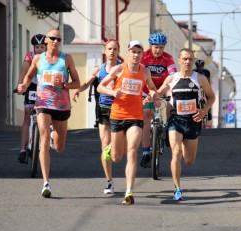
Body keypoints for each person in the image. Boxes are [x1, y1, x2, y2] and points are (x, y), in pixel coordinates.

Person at [17, 29, 80, 198]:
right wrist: (23, 85)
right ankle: (46, 183)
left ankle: (54, 136)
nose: (55, 41)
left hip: (62, 106)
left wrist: (65, 85)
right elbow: (29, 76)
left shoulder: (66, 59)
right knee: (43, 139)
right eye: (52, 38)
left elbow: (77, 82)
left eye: (58, 39)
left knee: (59, 147)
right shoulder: (38, 59)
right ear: (46, 40)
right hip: (42, 103)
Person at [97, 40, 160, 205]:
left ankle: (129, 191)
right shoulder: (119, 69)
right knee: (117, 157)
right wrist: (112, 92)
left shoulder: (144, 71)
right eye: (133, 52)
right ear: (128, 53)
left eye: (139, 52)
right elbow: (100, 87)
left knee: (132, 151)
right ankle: (112, 147)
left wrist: (152, 95)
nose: (136, 55)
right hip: (117, 116)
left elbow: (152, 88)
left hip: (135, 116)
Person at [157, 48, 215, 200]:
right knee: (176, 153)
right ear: (179, 60)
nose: (188, 62)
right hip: (175, 121)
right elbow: (158, 92)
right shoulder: (172, 79)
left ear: (193, 61)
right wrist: (150, 97)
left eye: (190, 59)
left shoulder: (200, 78)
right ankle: (177, 189)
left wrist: (204, 112)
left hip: (193, 122)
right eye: (185, 59)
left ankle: (184, 143)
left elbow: (211, 97)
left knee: (189, 161)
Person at [71, 39, 121, 194]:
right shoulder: (99, 70)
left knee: (118, 147)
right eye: (109, 48)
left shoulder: (123, 69)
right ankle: (109, 182)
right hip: (104, 109)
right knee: (105, 145)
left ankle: (116, 148)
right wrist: (78, 89)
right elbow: (86, 83)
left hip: (121, 109)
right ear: (105, 51)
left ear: (118, 51)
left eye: (115, 49)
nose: (112, 51)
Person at [140, 32, 177, 168]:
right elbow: (140, 74)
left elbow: (172, 75)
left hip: (161, 89)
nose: (158, 50)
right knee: (146, 118)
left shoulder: (168, 58)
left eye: (161, 47)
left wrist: (169, 94)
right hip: (146, 91)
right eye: (155, 47)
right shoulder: (144, 56)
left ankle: (166, 128)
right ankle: (145, 153)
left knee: (167, 106)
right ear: (151, 46)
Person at [16, 34, 47, 163]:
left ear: (46, 47)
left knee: (46, 115)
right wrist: (20, 86)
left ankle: (44, 142)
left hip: (46, 87)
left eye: (42, 47)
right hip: (32, 85)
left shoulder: (50, 56)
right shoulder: (30, 56)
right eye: (37, 47)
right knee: (27, 115)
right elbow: (24, 72)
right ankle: (23, 149)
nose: (39, 49)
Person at [194, 59, 212, 128]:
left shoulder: (206, 72)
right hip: (197, 87)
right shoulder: (194, 71)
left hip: (205, 87)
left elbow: (209, 81)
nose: (200, 68)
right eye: (198, 66)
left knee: (208, 98)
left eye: (201, 66)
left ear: (203, 66)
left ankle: (208, 111)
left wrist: (209, 89)